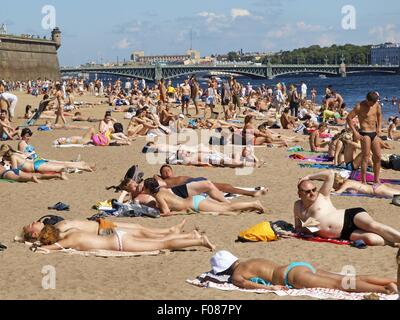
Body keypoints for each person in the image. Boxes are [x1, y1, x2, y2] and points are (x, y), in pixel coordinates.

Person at [209, 250, 398, 294]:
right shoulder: (249, 260)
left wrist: (271, 288)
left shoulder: (236, 274)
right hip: (298, 265)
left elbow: (245, 283)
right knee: (347, 278)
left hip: (291, 276)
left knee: (340, 285)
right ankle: (392, 281)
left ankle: (385, 291)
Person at [294, 170, 400, 246]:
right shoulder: (298, 207)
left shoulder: (322, 196)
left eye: (314, 189)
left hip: (348, 216)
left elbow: (330, 174)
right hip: (343, 233)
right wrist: (306, 229)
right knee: (370, 239)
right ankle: (393, 242)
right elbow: (299, 228)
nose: (312, 193)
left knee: (372, 225)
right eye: (308, 191)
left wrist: (308, 177)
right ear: (300, 194)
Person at [29, 224, 216, 253]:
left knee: (163, 243)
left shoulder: (66, 242)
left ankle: (199, 241)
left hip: (120, 243)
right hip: (117, 236)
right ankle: (191, 235)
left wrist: (38, 246)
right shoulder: (71, 232)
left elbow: (49, 249)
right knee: (157, 240)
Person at [143, 178, 265, 216]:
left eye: (145, 188)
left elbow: (166, 212)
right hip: (195, 200)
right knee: (225, 206)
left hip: (194, 204)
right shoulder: (162, 190)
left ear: (149, 189)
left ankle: (253, 204)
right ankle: (251, 206)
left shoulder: (158, 196)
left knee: (227, 208)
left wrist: (156, 213)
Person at [157, 165, 268, 198]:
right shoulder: (164, 181)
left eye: (168, 170)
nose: (166, 172)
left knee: (224, 186)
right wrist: (157, 176)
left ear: (172, 171)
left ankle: (249, 192)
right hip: (189, 187)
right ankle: (251, 193)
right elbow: (157, 182)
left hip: (194, 181)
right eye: (164, 171)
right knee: (223, 188)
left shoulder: (178, 176)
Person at [347, 92, 383, 184]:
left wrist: (379, 127)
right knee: (366, 156)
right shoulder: (359, 106)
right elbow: (349, 118)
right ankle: (363, 180)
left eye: (375, 102)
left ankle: (376, 179)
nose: (373, 104)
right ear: (367, 100)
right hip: (364, 133)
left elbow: (379, 116)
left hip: (374, 133)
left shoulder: (376, 105)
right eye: (372, 102)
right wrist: (355, 132)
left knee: (378, 156)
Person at [333, 173, 400, 200]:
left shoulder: (347, 183)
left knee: (397, 196)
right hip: (375, 188)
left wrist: (330, 190)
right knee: (397, 195)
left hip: (375, 189)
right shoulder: (348, 182)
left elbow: (338, 193)